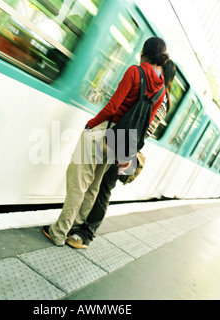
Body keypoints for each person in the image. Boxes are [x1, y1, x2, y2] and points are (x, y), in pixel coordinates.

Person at [42, 37, 169, 247]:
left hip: (105, 130)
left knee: (78, 183)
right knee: (93, 187)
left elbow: (112, 107)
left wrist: (91, 124)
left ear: (143, 51)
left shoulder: (135, 71)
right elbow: (145, 126)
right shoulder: (161, 90)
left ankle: (58, 232)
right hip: (120, 141)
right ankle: (75, 229)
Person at [66, 59, 177, 249]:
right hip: (124, 140)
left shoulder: (161, 97)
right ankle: (76, 227)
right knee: (97, 185)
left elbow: (145, 128)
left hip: (125, 142)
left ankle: (86, 234)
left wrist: (127, 151)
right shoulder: (158, 92)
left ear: (162, 72)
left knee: (103, 189)